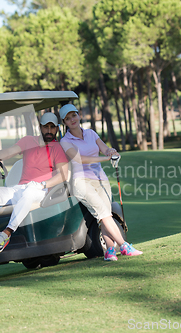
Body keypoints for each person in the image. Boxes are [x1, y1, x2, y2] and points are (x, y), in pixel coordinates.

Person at [59, 104, 142, 261]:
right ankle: (124, 246)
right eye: (68, 118)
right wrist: (105, 158)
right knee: (103, 214)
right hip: (81, 181)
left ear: (79, 115)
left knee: (105, 215)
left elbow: (104, 148)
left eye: (73, 116)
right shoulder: (65, 141)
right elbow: (79, 159)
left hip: (100, 179)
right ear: (65, 122)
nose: (72, 120)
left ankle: (110, 251)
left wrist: (111, 152)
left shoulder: (90, 133)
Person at [0, 112, 69, 253]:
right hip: (20, 188)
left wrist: (43, 184)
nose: (49, 130)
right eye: (46, 127)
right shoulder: (28, 141)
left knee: (28, 193)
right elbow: (9, 152)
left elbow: (64, 174)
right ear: (40, 127)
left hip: (41, 190)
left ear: (57, 129)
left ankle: (6, 233)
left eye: (52, 127)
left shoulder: (57, 148)